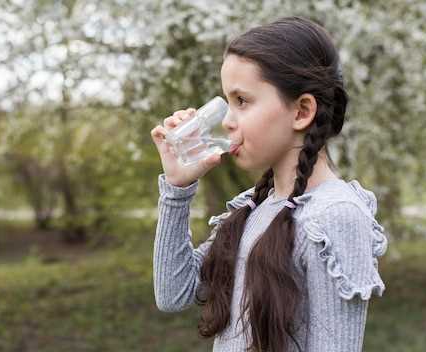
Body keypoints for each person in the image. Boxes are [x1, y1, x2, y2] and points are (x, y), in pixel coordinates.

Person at [149, 16, 388, 352]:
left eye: (242, 101)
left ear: (302, 111)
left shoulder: (334, 217)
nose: (228, 122)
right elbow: (174, 294)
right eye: (227, 102)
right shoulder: (255, 205)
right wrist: (176, 189)